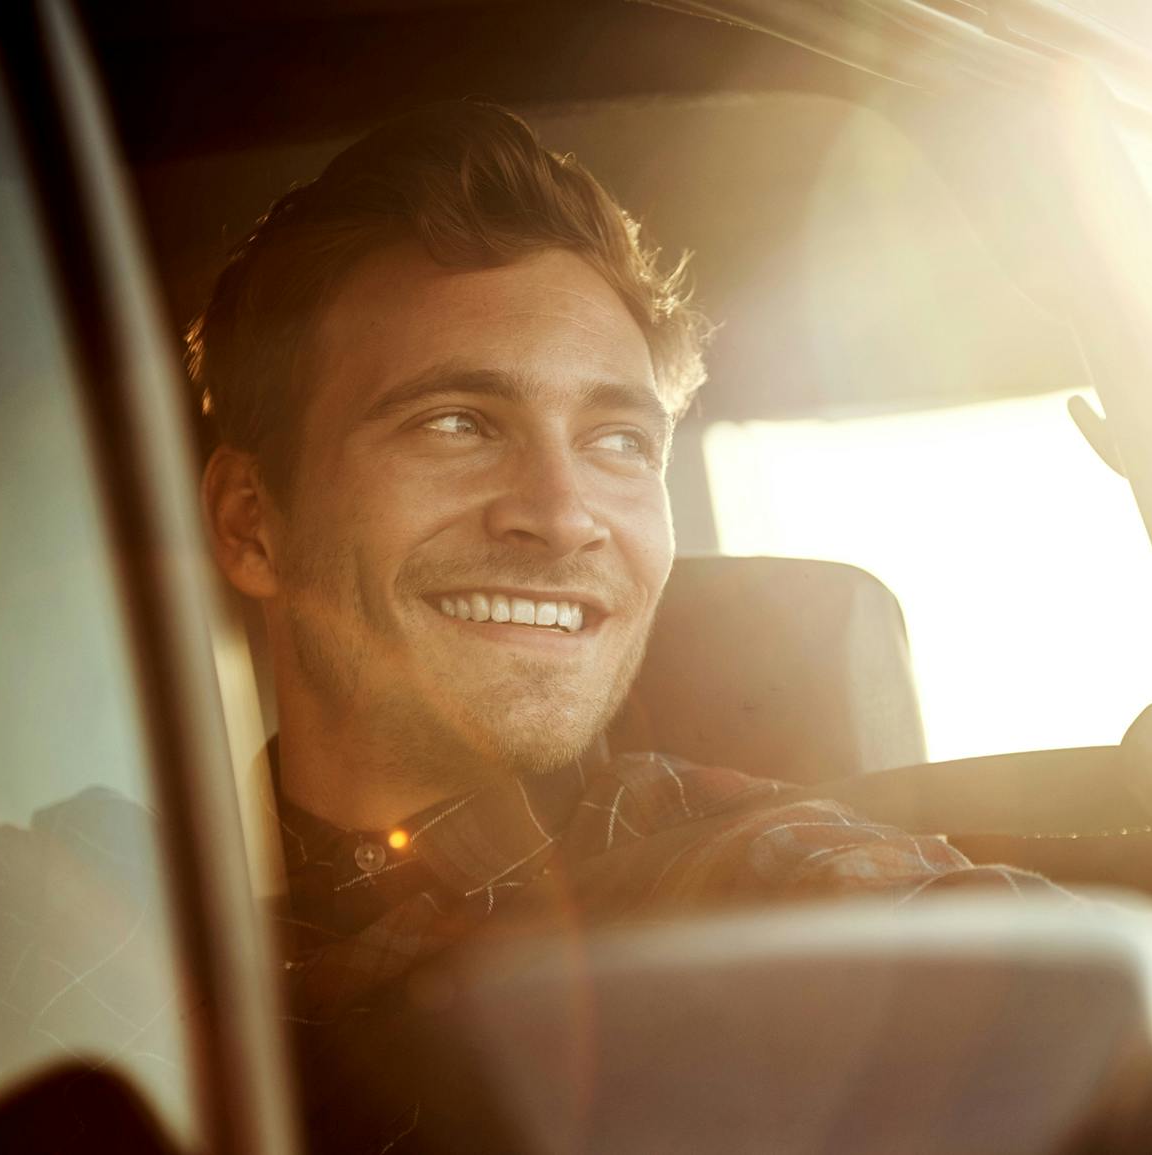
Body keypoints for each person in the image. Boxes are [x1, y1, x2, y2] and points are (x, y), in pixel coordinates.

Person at [187, 100, 1066, 1152]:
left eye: (614, 442)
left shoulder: (747, 879)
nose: (560, 516)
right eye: (456, 423)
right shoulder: (47, 915)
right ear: (251, 525)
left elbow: (1002, 971)